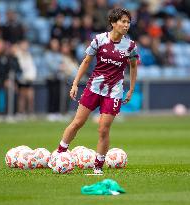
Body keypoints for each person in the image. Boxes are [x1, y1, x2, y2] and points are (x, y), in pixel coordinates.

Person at [56, 7, 139, 174]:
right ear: (113, 23)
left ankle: (98, 167)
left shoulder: (130, 46)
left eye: (128, 22)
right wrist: (75, 83)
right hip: (93, 88)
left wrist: (131, 89)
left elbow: (133, 66)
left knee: (103, 129)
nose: (126, 25)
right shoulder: (99, 40)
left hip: (114, 92)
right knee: (77, 123)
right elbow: (86, 61)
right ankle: (59, 154)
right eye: (123, 21)